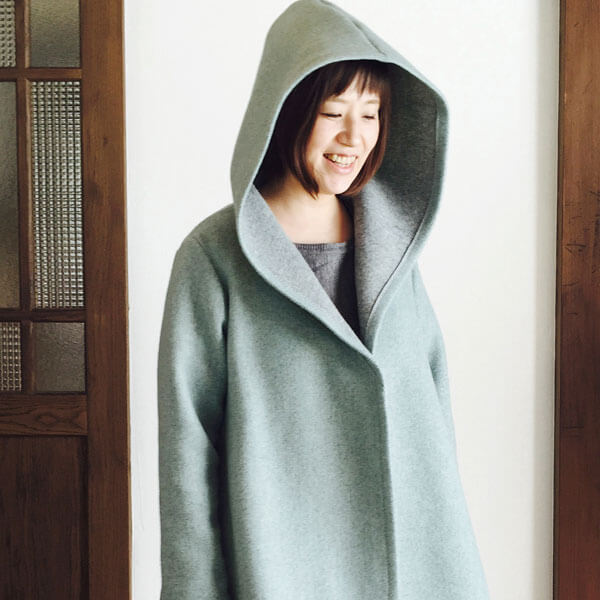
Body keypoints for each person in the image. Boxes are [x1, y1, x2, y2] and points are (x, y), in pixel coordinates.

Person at [157, 1, 489, 599]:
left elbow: (434, 419)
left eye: (372, 113)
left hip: (416, 571)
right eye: (333, 112)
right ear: (285, 112)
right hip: (283, 573)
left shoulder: (395, 250)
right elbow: (188, 456)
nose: (353, 138)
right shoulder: (214, 258)